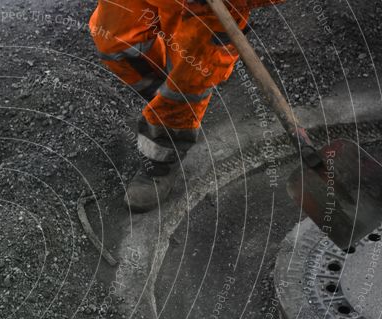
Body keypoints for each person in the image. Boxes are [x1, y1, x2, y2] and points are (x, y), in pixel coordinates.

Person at [89, 0, 283, 212]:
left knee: (184, 85)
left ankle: (163, 151)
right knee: (113, 39)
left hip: (208, 8)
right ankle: (162, 97)